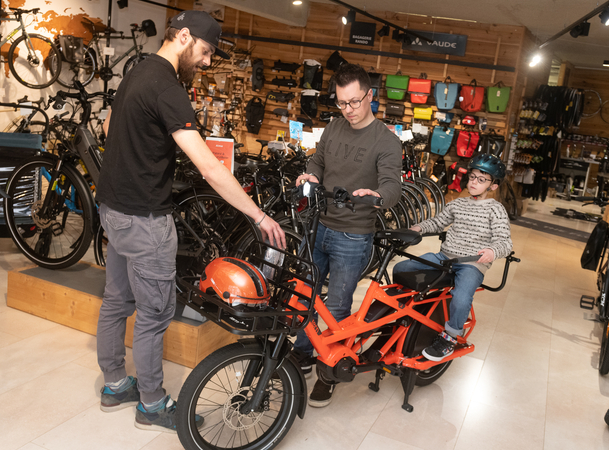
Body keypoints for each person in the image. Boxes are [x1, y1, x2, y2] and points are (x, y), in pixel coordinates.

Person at [95, 10, 285, 433]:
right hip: (145, 220)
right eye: (205, 50)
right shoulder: (168, 87)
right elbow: (211, 170)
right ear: (183, 37)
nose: (207, 61)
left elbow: (109, 127)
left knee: (115, 302)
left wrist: (144, 152)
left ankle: (113, 384)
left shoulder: (138, 70)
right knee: (154, 312)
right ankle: (151, 403)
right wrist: (257, 214)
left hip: (112, 211)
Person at [291, 63, 402, 407]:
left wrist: (379, 197)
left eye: (355, 102)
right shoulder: (334, 126)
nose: (349, 110)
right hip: (320, 225)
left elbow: (392, 186)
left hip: (353, 236)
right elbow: (319, 161)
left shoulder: (386, 140)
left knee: (337, 306)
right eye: (342, 103)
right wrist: (310, 175)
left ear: (370, 95)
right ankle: (305, 353)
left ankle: (329, 372)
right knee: (308, 294)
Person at [393, 153, 513, 361]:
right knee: (401, 268)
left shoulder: (496, 209)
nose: (474, 182)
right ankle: (403, 311)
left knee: (461, 298)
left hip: (471, 265)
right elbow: (438, 222)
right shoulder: (457, 204)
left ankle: (450, 338)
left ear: (493, 186)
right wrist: (419, 227)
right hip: (445, 257)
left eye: (481, 180)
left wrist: (492, 252)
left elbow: (505, 242)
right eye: (472, 176)